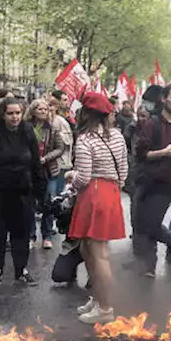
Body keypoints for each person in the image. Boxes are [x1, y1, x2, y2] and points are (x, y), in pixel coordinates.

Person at [71, 93, 129, 324]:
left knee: (99, 255)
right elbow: (124, 171)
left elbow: (83, 176)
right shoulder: (117, 136)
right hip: (110, 191)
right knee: (88, 251)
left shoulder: (85, 139)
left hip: (93, 194)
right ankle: (97, 298)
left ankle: (105, 308)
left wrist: (70, 177)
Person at [0, 97, 46, 285]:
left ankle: (21, 269)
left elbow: (35, 161)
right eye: (10, 113)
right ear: (3, 114)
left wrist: (40, 189)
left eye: (17, 113)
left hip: (22, 191)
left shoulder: (27, 131)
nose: (14, 117)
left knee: (21, 232)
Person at [132, 85, 171, 278]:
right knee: (150, 224)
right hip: (158, 181)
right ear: (163, 99)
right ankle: (149, 265)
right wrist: (164, 152)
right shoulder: (152, 124)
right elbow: (142, 154)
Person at [29, 99, 71, 250]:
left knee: (49, 202)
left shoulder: (53, 128)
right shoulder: (27, 128)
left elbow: (60, 148)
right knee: (31, 203)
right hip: (31, 170)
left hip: (48, 170)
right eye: (39, 109)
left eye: (45, 109)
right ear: (33, 111)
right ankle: (31, 235)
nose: (43, 112)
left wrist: (46, 158)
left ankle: (47, 235)